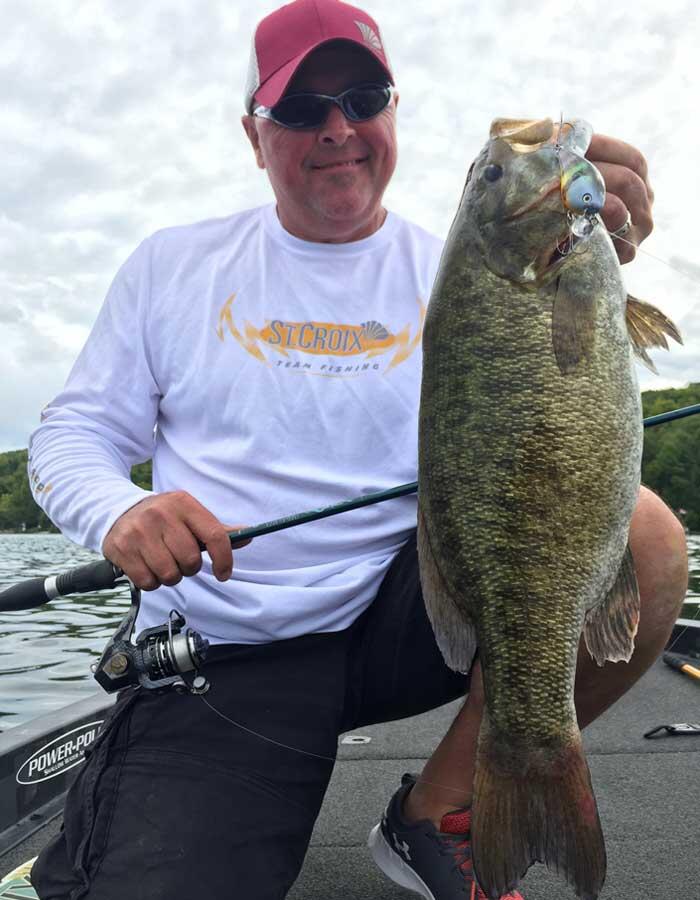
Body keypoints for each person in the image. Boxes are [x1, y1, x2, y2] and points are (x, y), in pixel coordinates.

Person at [27, 1, 688, 898]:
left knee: (646, 534)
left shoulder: (449, 267)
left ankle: (442, 808)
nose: (337, 128)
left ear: (391, 113)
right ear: (255, 135)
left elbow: (556, 421)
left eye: (362, 96)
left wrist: (600, 258)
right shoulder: (173, 266)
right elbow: (71, 434)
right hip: (232, 643)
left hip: (405, 615)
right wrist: (121, 509)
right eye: (301, 110)